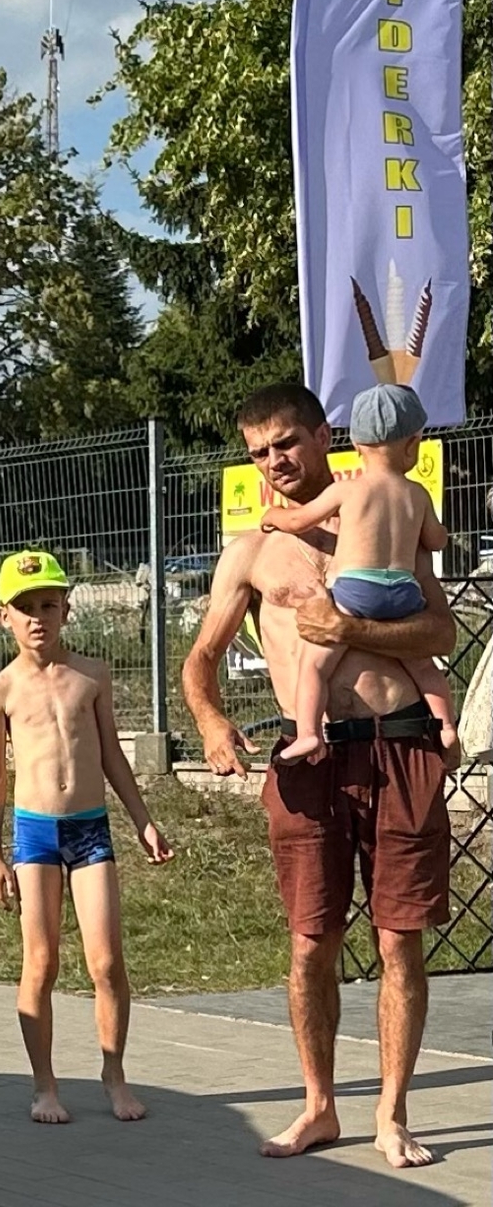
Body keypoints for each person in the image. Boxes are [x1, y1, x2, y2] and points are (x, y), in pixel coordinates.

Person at [184, 380, 455, 1167]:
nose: (273, 463)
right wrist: (210, 723)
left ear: (322, 434)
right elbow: (199, 662)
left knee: (401, 939)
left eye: (285, 444)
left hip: (399, 743)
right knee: (312, 943)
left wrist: (355, 625)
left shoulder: (381, 511)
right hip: (312, 759)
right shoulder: (253, 552)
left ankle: (392, 1113)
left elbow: (440, 625)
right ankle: (319, 1106)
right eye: (258, 453)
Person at [0, 551, 175, 1126]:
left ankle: (114, 1073)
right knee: (40, 962)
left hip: (90, 830)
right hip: (34, 833)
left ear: (67, 608)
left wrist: (142, 818)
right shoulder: (1, 690)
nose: (38, 617)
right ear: (4, 618)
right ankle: (44, 1086)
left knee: (107, 961)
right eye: (25, 608)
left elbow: (112, 753)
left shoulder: (92, 675)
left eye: (48, 604)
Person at [260, 383, 457, 762]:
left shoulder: (349, 491)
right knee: (422, 665)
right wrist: (441, 531)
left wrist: (273, 516)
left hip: (355, 591)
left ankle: (308, 734)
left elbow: (300, 519)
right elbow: (435, 541)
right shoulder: (417, 494)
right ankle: (446, 725)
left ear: (355, 446)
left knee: (314, 666)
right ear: (413, 443)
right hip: (403, 591)